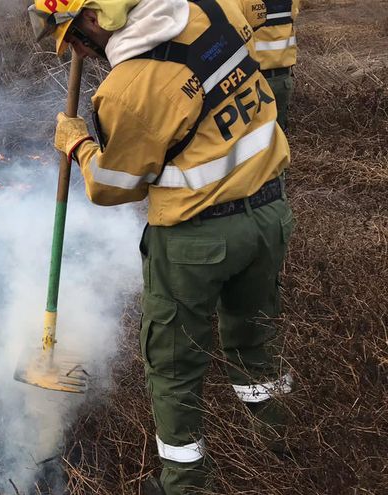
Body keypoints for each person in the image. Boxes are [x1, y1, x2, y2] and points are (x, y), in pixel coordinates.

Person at [27, 0, 295, 493]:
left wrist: (78, 145)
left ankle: (184, 483)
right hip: (269, 213)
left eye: (77, 41)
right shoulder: (209, 7)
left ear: (92, 17)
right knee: (254, 338)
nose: (82, 54)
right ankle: (279, 442)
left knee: (173, 367)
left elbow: (114, 185)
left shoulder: (126, 90)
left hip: (197, 241)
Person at [250, 0, 300, 129]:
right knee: (279, 134)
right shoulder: (291, 2)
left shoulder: (244, 3)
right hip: (283, 79)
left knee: (255, 133)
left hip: (256, 80)